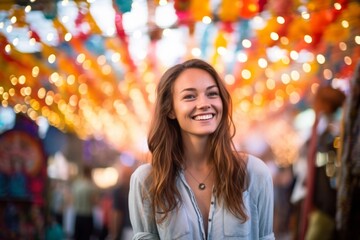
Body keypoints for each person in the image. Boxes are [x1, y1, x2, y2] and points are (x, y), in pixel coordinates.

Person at [128, 59, 275, 239]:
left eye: (212, 94)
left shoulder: (254, 173)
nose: (204, 103)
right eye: (190, 96)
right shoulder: (147, 181)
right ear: (170, 110)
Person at [71, 165, 97, 240]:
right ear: (89, 173)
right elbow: (94, 202)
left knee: (77, 237)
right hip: (87, 216)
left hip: (77, 215)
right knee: (86, 237)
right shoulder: (91, 186)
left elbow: (72, 200)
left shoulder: (76, 185)